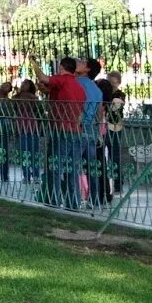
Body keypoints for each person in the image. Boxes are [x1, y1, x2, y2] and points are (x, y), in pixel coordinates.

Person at [36, 57, 101, 209]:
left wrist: (34, 65)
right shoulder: (92, 89)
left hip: (65, 128)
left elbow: (45, 79)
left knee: (57, 165)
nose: (80, 62)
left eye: (83, 62)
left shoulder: (69, 81)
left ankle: (53, 199)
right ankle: (79, 201)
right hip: (84, 129)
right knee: (79, 167)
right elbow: (96, 112)